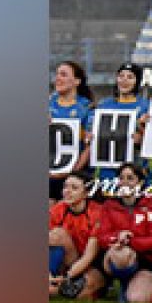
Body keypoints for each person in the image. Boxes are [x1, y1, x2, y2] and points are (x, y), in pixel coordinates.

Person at [96, 163, 152, 303]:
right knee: (121, 254)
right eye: (121, 178)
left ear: (140, 182)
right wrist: (118, 237)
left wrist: (130, 240)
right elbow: (102, 236)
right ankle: (122, 284)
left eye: (130, 178)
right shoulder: (109, 205)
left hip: (148, 261)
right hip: (118, 255)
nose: (125, 182)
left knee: (137, 299)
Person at [91, 62, 150, 195]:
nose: (124, 80)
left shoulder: (146, 106)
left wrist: (142, 136)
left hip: (136, 168)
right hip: (108, 170)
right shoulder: (104, 105)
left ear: (137, 81)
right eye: (121, 76)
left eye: (130, 77)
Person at [48, 172, 106, 300]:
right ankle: (54, 280)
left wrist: (67, 276)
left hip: (94, 263)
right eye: (65, 187)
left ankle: (73, 285)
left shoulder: (98, 213)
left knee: (81, 293)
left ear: (86, 193)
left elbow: (89, 256)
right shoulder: (58, 209)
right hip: (69, 260)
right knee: (57, 234)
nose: (67, 191)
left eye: (74, 188)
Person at [49, 61, 94, 205]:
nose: (58, 78)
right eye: (57, 74)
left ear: (77, 81)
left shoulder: (87, 107)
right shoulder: (48, 104)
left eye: (63, 74)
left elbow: (90, 145)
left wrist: (74, 171)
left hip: (76, 174)